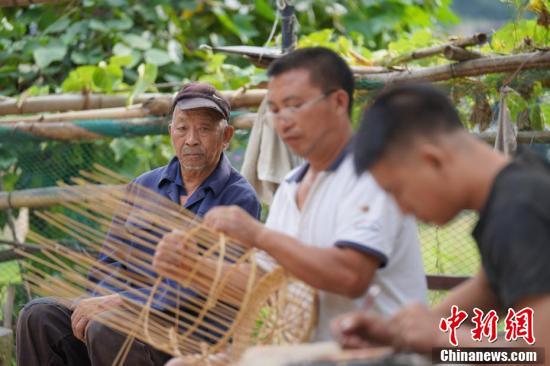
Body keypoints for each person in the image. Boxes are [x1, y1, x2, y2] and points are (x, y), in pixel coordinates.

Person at [154, 48, 428, 348]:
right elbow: (264, 285)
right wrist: (190, 266)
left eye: (294, 105)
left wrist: (258, 234)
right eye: (275, 109)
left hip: (382, 355)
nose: (283, 120)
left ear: (338, 102)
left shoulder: (373, 175)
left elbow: (351, 276)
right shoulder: (290, 187)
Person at [16, 82, 261, 366]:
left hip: (190, 335)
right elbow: (106, 265)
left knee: (108, 325)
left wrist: (123, 302)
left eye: (204, 129)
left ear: (226, 135)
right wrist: (100, 300)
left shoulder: (238, 198)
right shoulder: (143, 186)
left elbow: (207, 287)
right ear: (171, 132)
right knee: (39, 316)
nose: (191, 139)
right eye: (182, 128)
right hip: (122, 320)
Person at [332, 83, 550, 353]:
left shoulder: (518, 210)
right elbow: (487, 287)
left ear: (432, 160)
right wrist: (399, 330)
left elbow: (540, 354)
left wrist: (440, 337)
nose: (401, 209)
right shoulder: (521, 183)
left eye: (396, 190)